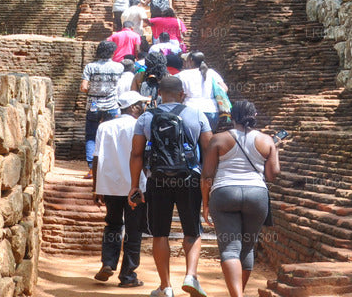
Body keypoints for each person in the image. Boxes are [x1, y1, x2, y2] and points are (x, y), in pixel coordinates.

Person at [129, 75, 213, 297]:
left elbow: (136, 154)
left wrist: (134, 185)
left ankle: (165, 286)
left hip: (157, 180)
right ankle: (191, 276)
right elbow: (210, 152)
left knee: (160, 234)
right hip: (189, 180)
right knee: (192, 231)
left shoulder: (146, 118)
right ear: (182, 93)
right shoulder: (197, 115)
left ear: (159, 94)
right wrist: (208, 184)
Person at [201, 100, 280, 297]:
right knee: (247, 247)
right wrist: (274, 149)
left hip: (225, 193)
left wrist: (205, 203)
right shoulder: (266, 140)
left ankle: (237, 295)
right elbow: (272, 175)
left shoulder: (219, 139)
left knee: (229, 249)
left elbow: (207, 175)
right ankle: (239, 293)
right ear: (254, 117)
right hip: (256, 195)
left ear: (232, 117)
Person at [93, 90, 151, 288]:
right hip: (135, 188)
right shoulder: (140, 126)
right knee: (134, 231)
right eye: (141, 104)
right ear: (134, 107)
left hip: (109, 186)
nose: (144, 107)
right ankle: (127, 276)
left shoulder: (104, 127)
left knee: (112, 224)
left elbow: (96, 158)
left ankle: (108, 263)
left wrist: (96, 188)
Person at [81, 40, 125, 178]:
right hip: (112, 106)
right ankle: (110, 167)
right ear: (113, 52)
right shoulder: (119, 67)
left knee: (91, 136)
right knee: (113, 136)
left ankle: (92, 168)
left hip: (94, 105)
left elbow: (83, 87)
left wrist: (93, 90)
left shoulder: (90, 67)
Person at [179, 52, 230, 129]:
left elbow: (181, 93)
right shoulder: (212, 73)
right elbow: (224, 88)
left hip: (190, 110)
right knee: (208, 138)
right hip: (211, 110)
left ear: (191, 61)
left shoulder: (183, 75)